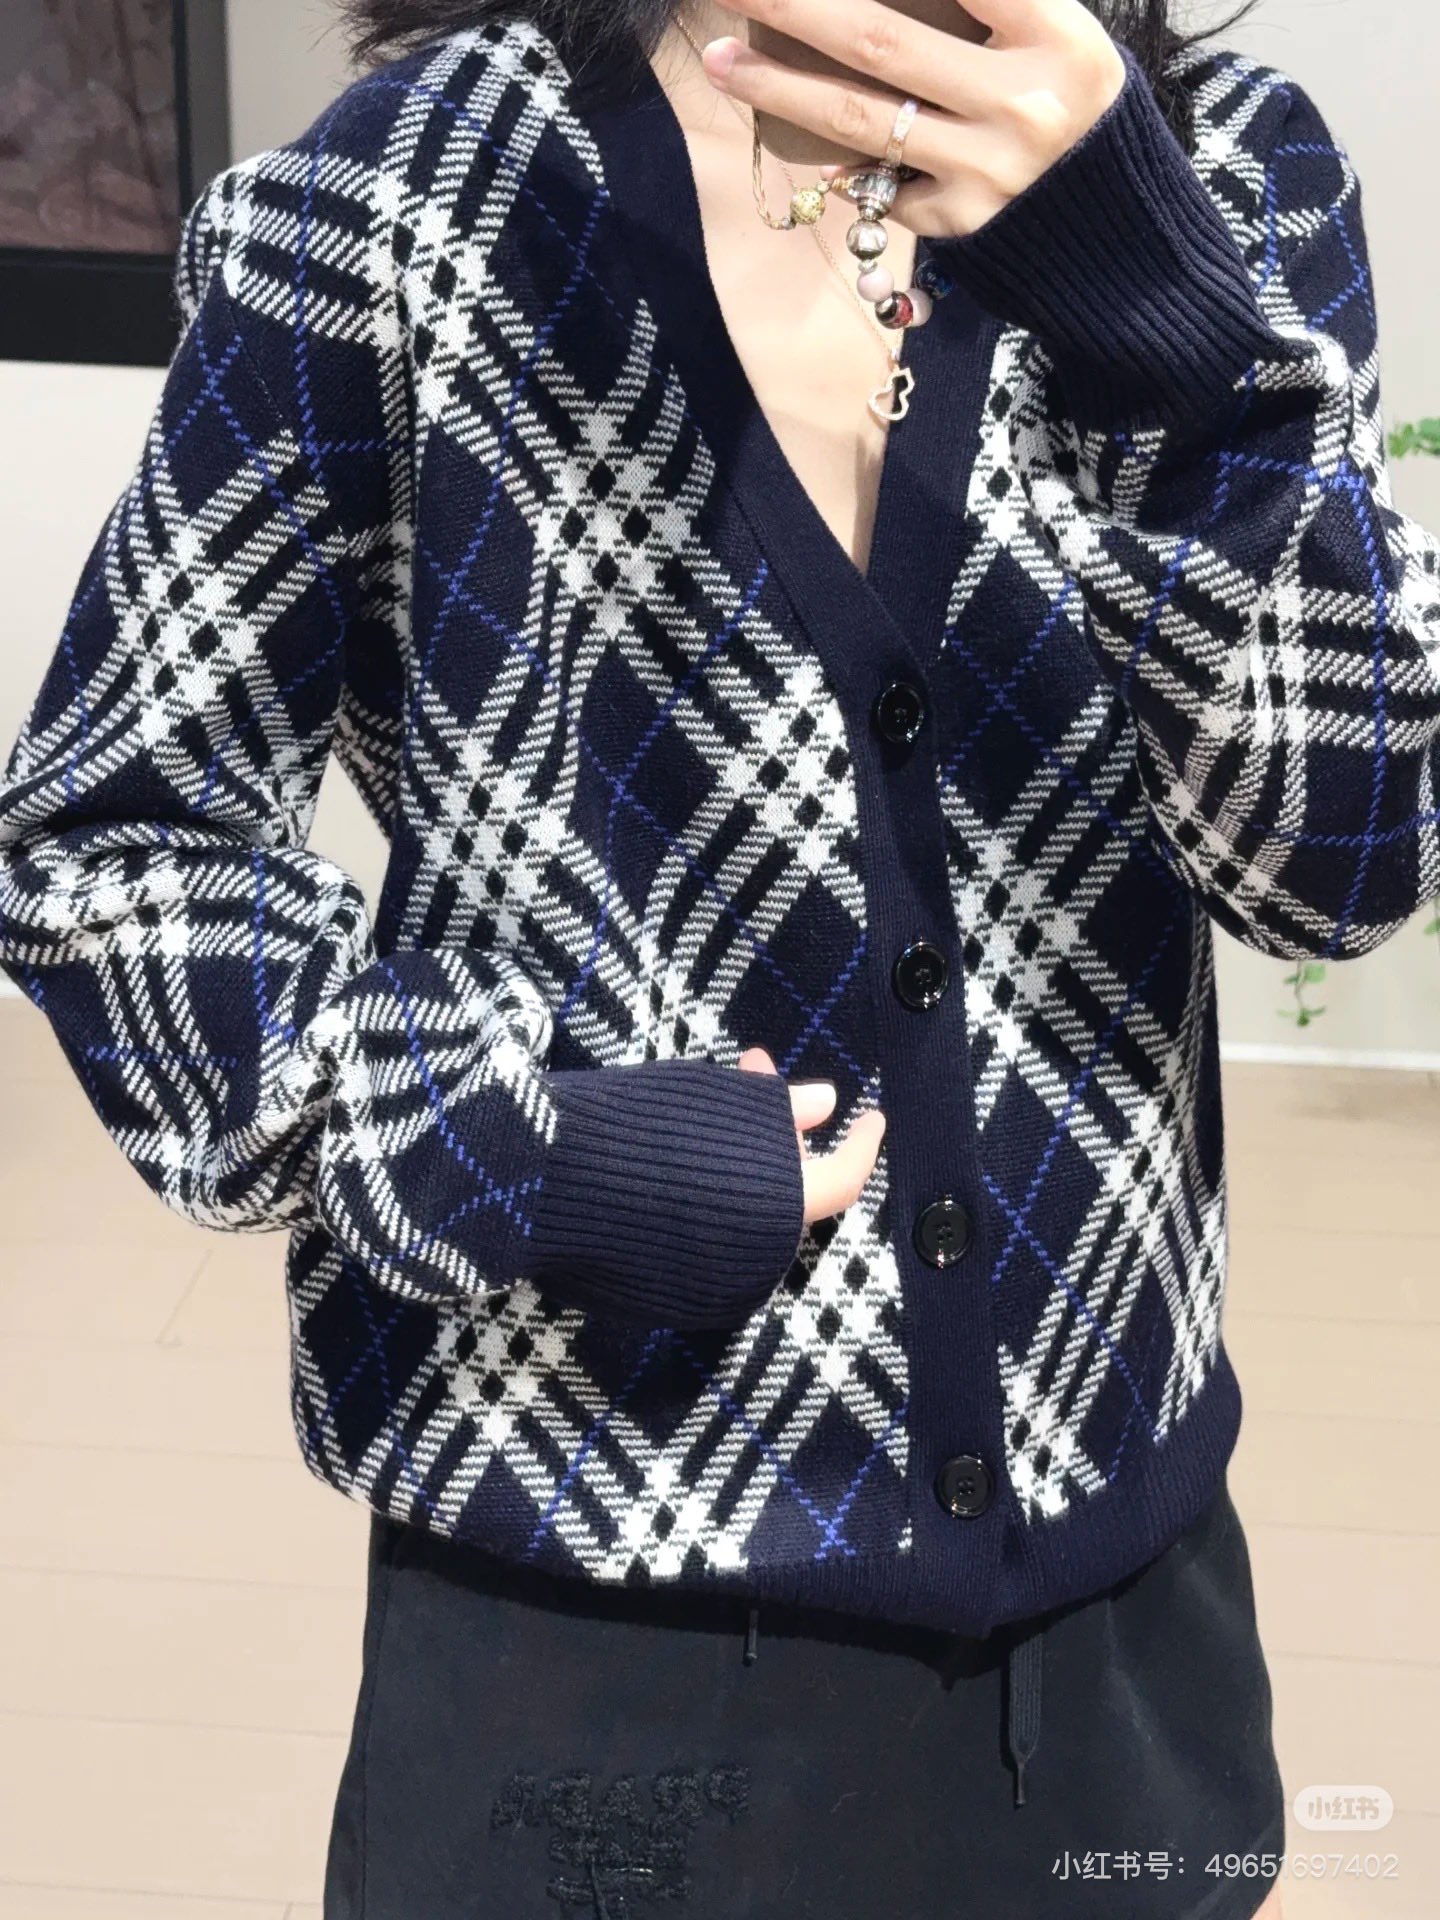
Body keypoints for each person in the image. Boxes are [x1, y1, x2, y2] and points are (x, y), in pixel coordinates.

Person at [2, 0, 1436, 1913]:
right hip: (581, 1636)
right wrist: (522, 1151)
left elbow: (1343, 863)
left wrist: (1171, 345)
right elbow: (109, 848)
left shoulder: (1227, 171)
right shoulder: (400, 202)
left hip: (1114, 1629)